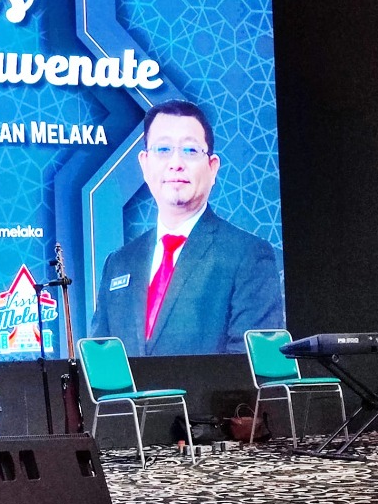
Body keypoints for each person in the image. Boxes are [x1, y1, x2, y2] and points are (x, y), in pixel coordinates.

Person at [90, 100, 283, 356]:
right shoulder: (119, 263)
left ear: (212, 167)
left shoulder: (249, 255)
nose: (176, 162)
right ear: (145, 164)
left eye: (190, 150)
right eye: (163, 149)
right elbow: (100, 360)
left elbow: (250, 364)